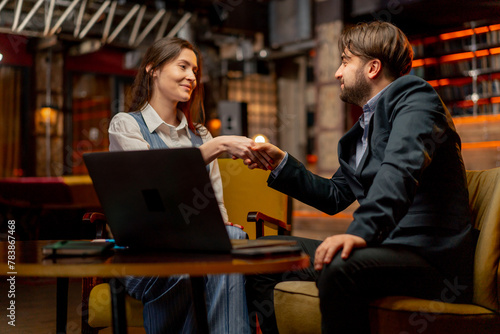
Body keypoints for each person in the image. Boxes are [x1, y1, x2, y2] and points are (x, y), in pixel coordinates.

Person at [244, 21, 478, 334]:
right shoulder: (365, 128)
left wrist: (361, 232)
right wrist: (281, 164)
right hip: (390, 250)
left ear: (372, 68)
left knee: (340, 267)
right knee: (264, 255)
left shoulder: (416, 100)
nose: (337, 73)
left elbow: (401, 169)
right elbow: (333, 196)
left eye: (344, 61)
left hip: (429, 258)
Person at [108, 36, 258, 333]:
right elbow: (153, 180)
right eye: (183, 66)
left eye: (195, 70)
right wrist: (218, 146)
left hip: (199, 250)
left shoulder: (200, 134)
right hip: (145, 255)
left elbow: (216, 204)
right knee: (210, 255)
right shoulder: (125, 125)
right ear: (153, 69)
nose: (192, 76)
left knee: (227, 238)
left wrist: (221, 227)